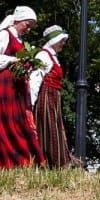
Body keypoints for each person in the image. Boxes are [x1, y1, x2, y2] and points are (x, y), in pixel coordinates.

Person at [0, 5, 44, 168]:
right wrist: (12, 60)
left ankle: (20, 159)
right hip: (2, 86)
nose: (28, 29)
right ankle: (0, 160)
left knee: (16, 121)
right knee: (4, 121)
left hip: (15, 88)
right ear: (18, 20)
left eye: (31, 26)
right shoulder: (4, 35)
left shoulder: (19, 40)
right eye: (27, 24)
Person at [29, 25, 76, 168]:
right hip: (46, 96)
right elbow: (35, 79)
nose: (63, 43)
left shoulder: (53, 57)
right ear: (53, 40)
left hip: (53, 96)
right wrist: (30, 103)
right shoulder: (43, 56)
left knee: (54, 127)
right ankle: (53, 162)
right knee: (48, 128)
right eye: (61, 40)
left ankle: (57, 162)